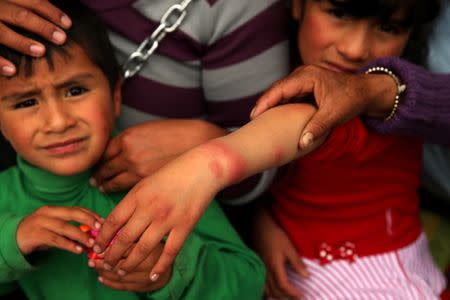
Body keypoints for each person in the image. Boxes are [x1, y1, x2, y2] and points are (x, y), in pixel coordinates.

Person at [85, 0, 448, 298]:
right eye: (338, 13)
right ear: (297, 5)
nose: (355, 49)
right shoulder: (270, 62)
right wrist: (263, 219)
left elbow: (297, 125)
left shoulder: (377, 102)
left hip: (375, 280)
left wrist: (206, 164)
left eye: (389, 28)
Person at [0, 1, 266, 299]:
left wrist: (170, 270)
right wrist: (14, 241)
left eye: (75, 91)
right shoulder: (5, 197)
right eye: (26, 102)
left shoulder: (168, 182)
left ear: (115, 97)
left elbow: (248, 283)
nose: (58, 122)